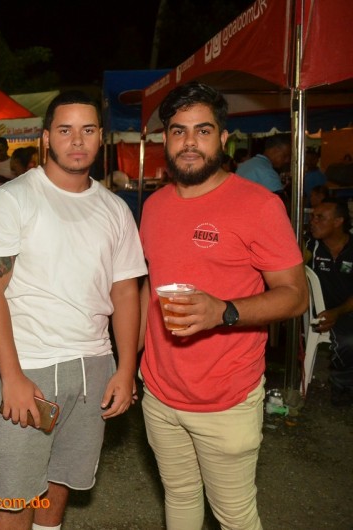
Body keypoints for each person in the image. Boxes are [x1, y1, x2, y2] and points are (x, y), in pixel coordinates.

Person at [139, 82, 308, 530]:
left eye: (203, 130)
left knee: (234, 518)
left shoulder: (258, 205)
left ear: (224, 139)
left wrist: (225, 312)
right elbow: (149, 288)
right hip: (159, 392)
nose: (189, 142)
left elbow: (295, 294)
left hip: (225, 399)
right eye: (178, 131)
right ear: (165, 139)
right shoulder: (153, 206)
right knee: (179, 497)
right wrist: (133, 364)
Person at [0, 90, 147, 530]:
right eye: (65, 130)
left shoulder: (115, 209)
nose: (77, 140)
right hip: (28, 366)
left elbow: (126, 293)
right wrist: (11, 376)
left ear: (100, 137)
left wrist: (126, 368)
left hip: (94, 367)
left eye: (87, 130)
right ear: (46, 138)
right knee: (14, 496)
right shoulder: (13, 199)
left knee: (60, 484)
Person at [307, 199, 353, 406]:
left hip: (346, 309)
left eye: (320, 217)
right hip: (324, 312)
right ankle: (342, 385)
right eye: (312, 217)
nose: (313, 221)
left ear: (338, 221)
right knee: (349, 341)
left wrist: (339, 311)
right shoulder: (310, 246)